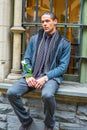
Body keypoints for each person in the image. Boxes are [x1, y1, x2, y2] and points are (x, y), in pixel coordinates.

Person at [7, 11, 71, 130]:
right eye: (42, 22)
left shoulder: (64, 43)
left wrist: (45, 77)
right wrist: (28, 75)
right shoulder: (35, 39)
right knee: (11, 92)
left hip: (51, 77)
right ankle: (26, 122)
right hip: (33, 75)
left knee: (47, 95)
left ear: (55, 22)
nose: (44, 24)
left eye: (47, 21)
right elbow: (26, 59)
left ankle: (48, 126)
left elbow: (63, 67)